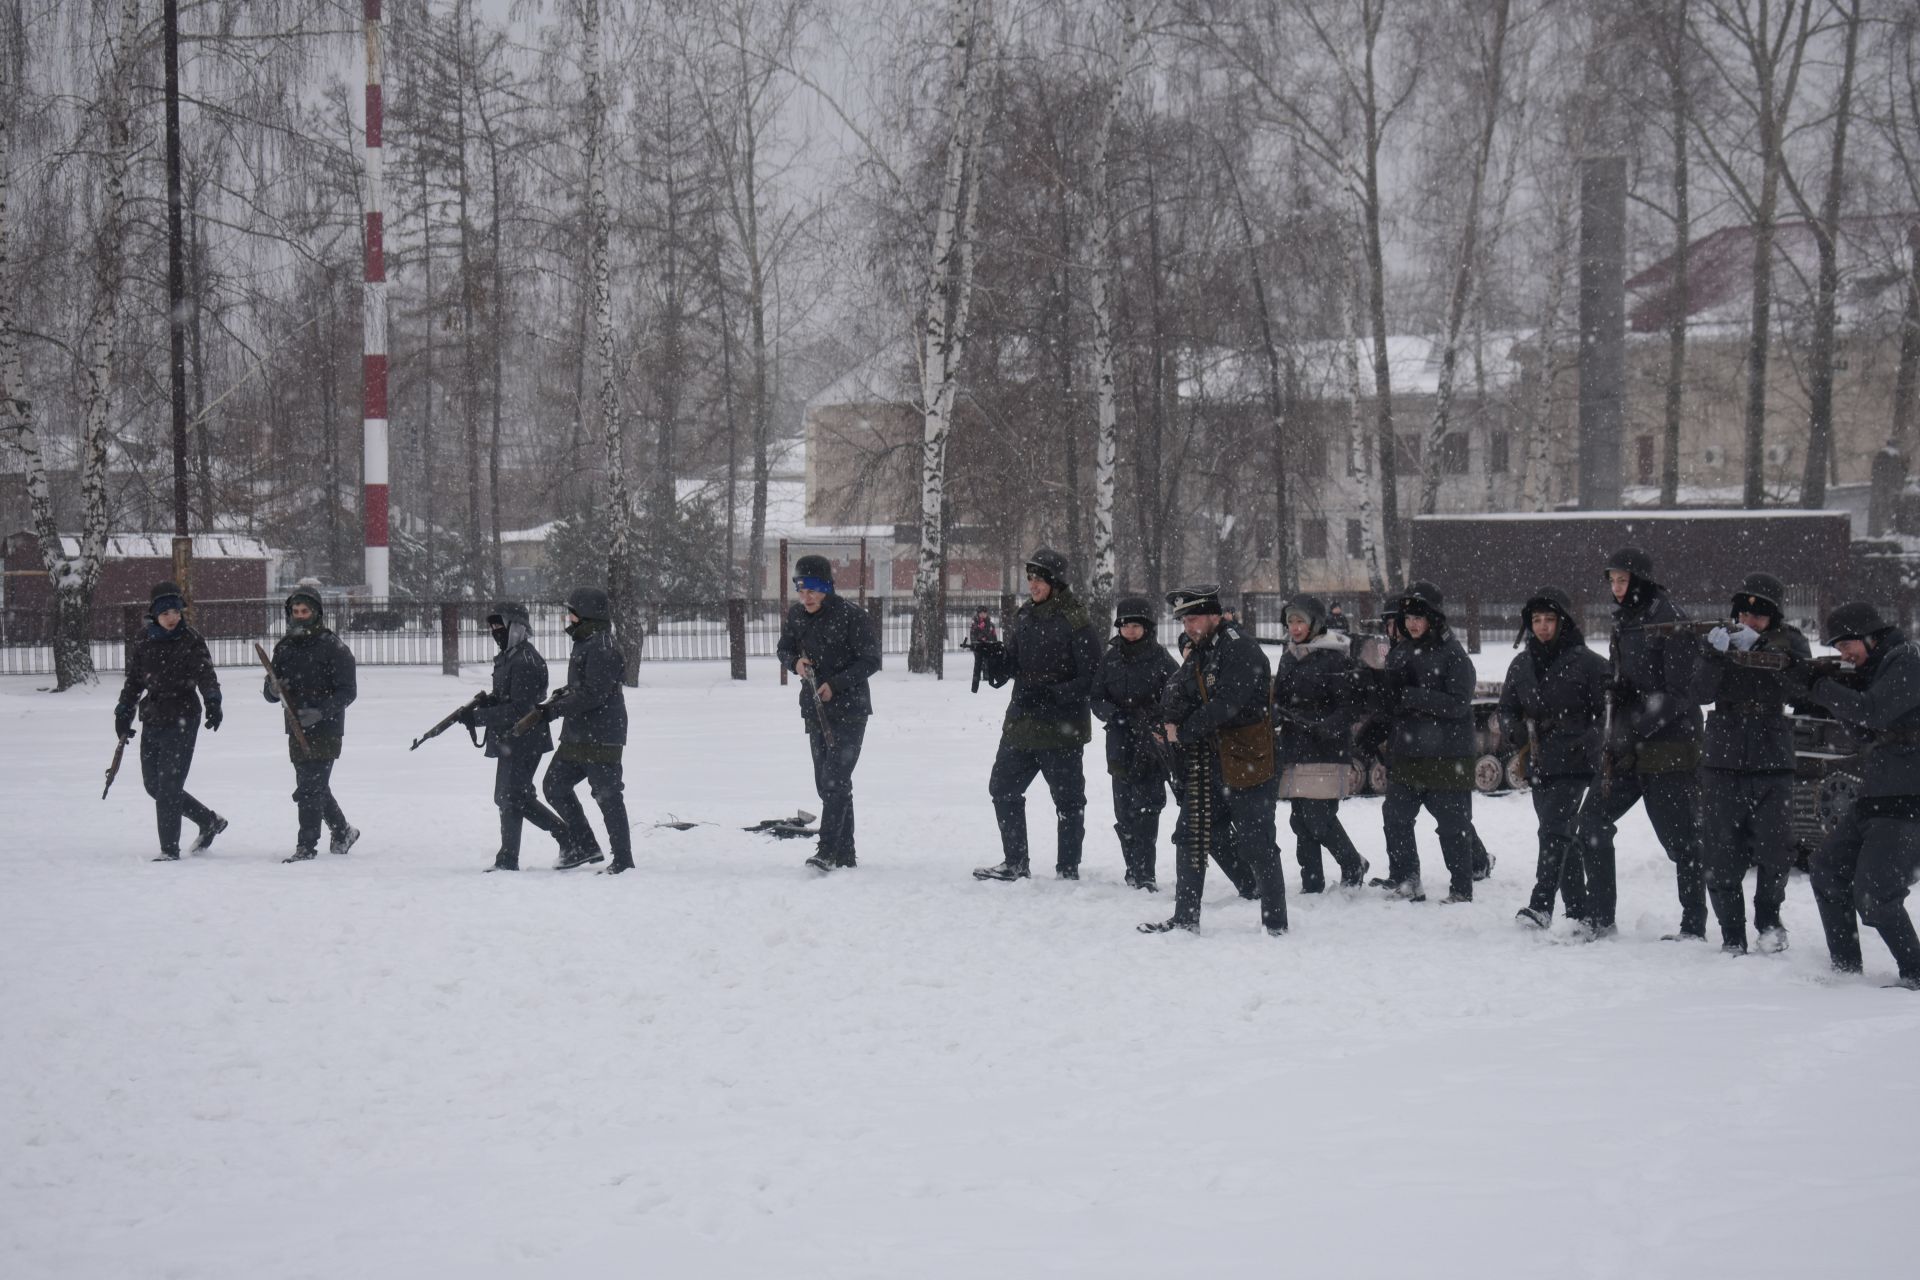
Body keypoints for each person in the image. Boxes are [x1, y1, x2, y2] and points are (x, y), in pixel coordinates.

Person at [1140, 584, 1288, 935]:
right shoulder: (1204, 650)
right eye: (1184, 620)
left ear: (1214, 614)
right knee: (1192, 835)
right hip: (1211, 761)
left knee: (1257, 841)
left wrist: (1183, 731)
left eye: (1193, 617)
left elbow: (1226, 705)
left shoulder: (1240, 649)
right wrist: (1166, 720)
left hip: (1250, 757)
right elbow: (1188, 692)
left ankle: (1276, 924)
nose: (1188, 626)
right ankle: (1185, 918)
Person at [1579, 547, 1706, 940]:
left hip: (1669, 746)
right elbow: (1630, 678)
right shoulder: (1627, 620)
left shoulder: (1670, 620)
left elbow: (1680, 693)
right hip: (1629, 745)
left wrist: (1636, 729)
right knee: (1591, 822)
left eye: (1622, 580)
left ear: (1639, 581)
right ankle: (1600, 917)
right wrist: (1616, 689)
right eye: (1612, 580)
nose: (1616, 588)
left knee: (1681, 842)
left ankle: (1693, 925)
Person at [1791, 603, 1920, 988]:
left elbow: (1875, 712)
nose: (1844, 654)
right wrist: (1830, 693)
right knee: (1827, 871)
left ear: (1871, 636)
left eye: (1847, 644)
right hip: (1879, 793)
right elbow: (1865, 731)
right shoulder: (1876, 669)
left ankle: (1916, 972)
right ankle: (1846, 971)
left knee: (1876, 896)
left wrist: (1821, 687)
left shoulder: (1907, 661)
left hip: (1909, 798)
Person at [1692, 573, 1812, 954]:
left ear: (1773, 617)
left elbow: (1801, 690)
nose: (1750, 620)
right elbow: (1699, 692)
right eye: (1744, 612)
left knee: (1776, 850)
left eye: (1759, 615)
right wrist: (1713, 656)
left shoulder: (1790, 643)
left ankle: (1769, 920)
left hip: (1771, 755)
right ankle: (1731, 931)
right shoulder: (1720, 640)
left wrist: (1761, 649)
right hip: (1723, 756)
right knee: (1720, 851)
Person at [973, 548, 1101, 881]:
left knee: (1068, 800)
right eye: (1030, 578)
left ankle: (1068, 867)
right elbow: (1010, 668)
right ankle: (1015, 862)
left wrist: (1052, 695)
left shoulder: (1076, 619)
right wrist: (993, 656)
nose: (1033, 585)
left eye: (1039, 579)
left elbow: (1091, 677)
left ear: (1055, 582)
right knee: (1002, 787)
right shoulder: (1025, 615)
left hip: (1061, 728)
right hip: (1022, 723)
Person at [1498, 587, 1608, 930]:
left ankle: (1541, 903)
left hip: (1576, 763)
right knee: (1563, 836)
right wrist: (1517, 732)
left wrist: (1588, 740)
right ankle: (1579, 908)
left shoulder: (1589, 663)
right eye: (1536, 620)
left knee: (1552, 830)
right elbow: (1506, 709)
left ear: (1562, 621)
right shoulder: (1521, 664)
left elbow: (1606, 714)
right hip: (1539, 762)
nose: (1542, 627)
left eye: (1549, 620)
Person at [1374, 581, 1477, 903]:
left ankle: (1461, 886)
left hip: (1448, 754)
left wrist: (1413, 696)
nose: (1412, 623)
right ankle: (1407, 878)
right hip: (1407, 752)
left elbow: (1459, 703)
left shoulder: (1453, 654)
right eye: (1408, 618)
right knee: (1395, 816)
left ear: (1433, 617)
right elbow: (1392, 700)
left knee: (1452, 825)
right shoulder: (1401, 651)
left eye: (1419, 617)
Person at [776, 554, 881, 873]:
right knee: (828, 784)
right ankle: (845, 851)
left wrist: (835, 684)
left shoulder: (851, 616)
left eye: (812, 590)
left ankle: (826, 849)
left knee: (835, 779)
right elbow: (784, 648)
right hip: (814, 709)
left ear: (826, 588)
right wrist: (795, 663)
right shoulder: (796, 616)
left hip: (850, 711)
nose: (805, 597)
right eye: (800, 589)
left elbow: (870, 661)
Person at [114, 581, 227, 861]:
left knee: (169, 786)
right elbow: (135, 680)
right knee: (154, 785)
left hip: (183, 716)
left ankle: (169, 849)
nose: (172, 617)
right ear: (155, 614)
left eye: (176, 611)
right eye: (166, 613)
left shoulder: (190, 638)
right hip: (153, 716)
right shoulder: (143, 639)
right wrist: (123, 710)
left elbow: (205, 673)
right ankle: (208, 820)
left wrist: (213, 701)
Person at [1273, 594, 1369, 892]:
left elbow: (1350, 705)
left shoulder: (1334, 656)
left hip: (1326, 746)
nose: (1295, 627)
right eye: (1290, 621)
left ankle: (1352, 863)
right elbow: (1281, 695)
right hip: (1295, 745)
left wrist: (1326, 726)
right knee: (1300, 820)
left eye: (1300, 620)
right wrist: (1278, 712)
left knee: (1319, 818)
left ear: (1315, 622)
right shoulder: (1289, 654)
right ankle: (1311, 882)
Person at [465, 603, 568, 872]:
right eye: (492, 626)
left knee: (511, 797)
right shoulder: (510, 656)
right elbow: (508, 698)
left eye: (501, 625)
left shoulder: (526, 660)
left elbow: (521, 708)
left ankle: (513, 856)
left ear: (516, 627)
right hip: (512, 738)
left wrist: (479, 718)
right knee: (511, 797)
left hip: (525, 739)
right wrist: (486, 705)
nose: (495, 631)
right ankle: (564, 838)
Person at [539, 586, 632, 873]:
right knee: (554, 785)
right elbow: (584, 686)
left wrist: (556, 709)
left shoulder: (602, 647)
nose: (569, 618)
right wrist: (562, 695)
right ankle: (584, 845)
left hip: (602, 736)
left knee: (608, 796)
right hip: (579, 734)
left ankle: (623, 859)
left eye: (573, 613)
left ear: (588, 614)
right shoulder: (587, 642)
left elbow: (594, 694)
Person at [1090, 595, 1179, 891]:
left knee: (1147, 809)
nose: (1129, 630)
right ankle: (1133, 868)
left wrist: (1155, 719)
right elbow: (1097, 696)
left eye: (1135, 625)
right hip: (1118, 742)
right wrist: (1112, 715)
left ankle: (1145, 873)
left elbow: (1177, 694)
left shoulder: (1161, 658)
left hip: (1150, 745)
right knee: (1124, 812)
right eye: (1125, 625)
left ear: (1147, 627)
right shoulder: (1110, 658)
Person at [264, 588, 359, 862]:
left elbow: (347, 691)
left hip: (326, 728)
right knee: (314, 786)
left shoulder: (334, 647)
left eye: (305, 612)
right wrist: (273, 689)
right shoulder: (284, 648)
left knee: (309, 787)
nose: (300, 617)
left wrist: (320, 712)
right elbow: (270, 689)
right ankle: (343, 830)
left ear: (316, 613)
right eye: (295, 612)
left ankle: (306, 846)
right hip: (296, 727)